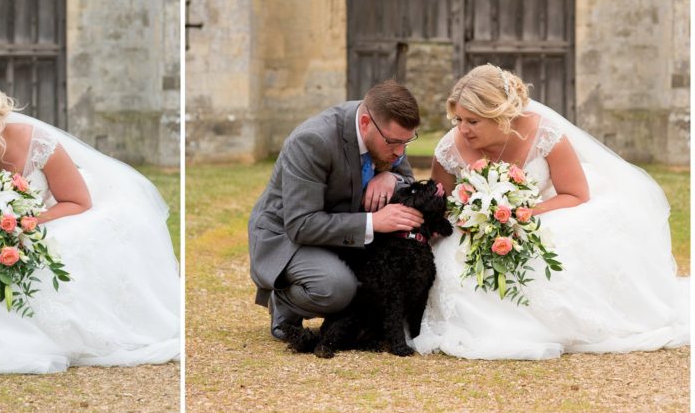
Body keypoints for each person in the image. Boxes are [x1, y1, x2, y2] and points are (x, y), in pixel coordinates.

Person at [414, 64, 690, 359]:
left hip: (548, 209)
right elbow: (440, 206)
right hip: (479, 222)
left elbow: (576, 194)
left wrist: (526, 213)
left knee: (563, 240)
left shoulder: (543, 133)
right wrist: (477, 218)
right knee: (454, 256)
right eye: (458, 120)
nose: (462, 129)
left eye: (473, 121)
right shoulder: (449, 148)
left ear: (501, 116)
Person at [0, 74, 180, 373]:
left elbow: (78, 202)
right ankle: (2, 336)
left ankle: (70, 333)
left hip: (54, 215)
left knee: (69, 246)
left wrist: (24, 223)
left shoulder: (35, 141)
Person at [248, 80, 426, 340]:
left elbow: (408, 183)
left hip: (342, 236)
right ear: (365, 123)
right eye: (393, 143)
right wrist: (372, 222)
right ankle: (284, 302)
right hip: (288, 238)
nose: (399, 152)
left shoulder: (388, 136)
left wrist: (391, 178)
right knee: (337, 288)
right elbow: (301, 224)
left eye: (406, 143)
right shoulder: (311, 140)